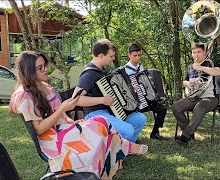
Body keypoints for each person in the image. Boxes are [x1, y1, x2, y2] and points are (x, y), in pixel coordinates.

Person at [9, 51, 148, 179]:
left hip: (64, 128)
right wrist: (62, 110)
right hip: (51, 139)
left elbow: (61, 115)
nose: (46, 69)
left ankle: (105, 170)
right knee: (98, 133)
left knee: (101, 121)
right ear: (29, 71)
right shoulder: (24, 96)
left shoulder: (44, 86)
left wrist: (71, 122)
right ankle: (122, 151)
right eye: (40, 68)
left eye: (44, 65)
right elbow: (39, 129)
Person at [72, 39, 147, 143]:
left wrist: (130, 90)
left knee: (140, 118)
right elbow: (76, 99)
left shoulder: (103, 71)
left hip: (111, 111)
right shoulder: (89, 74)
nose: (113, 58)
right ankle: (118, 150)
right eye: (111, 56)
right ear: (101, 56)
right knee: (128, 130)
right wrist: (102, 100)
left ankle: (125, 147)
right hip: (95, 114)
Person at [172, 43, 220, 145]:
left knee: (199, 106)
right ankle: (189, 132)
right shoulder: (190, 67)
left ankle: (185, 135)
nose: (196, 55)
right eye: (194, 52)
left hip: (209, 98)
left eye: (199, 52)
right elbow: (184, 82)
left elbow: (218, 72)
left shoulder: (209, 63)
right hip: (193, 97)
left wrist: (200, 67)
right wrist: (188, 83)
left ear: (204, 53)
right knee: (176, 107)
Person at [124, 43, 168, 141]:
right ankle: (133, 136)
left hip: (146, 99)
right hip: (134, 103)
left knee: (162, 109)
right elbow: (124, 90)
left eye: (139, 55)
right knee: (133, 115)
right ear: (129, 55)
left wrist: (152, 83)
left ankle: (155, 132)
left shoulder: (141, 67)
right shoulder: (125, 71)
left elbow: (145, 83)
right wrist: (132, 88)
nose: (137, 58)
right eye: (135, 55)